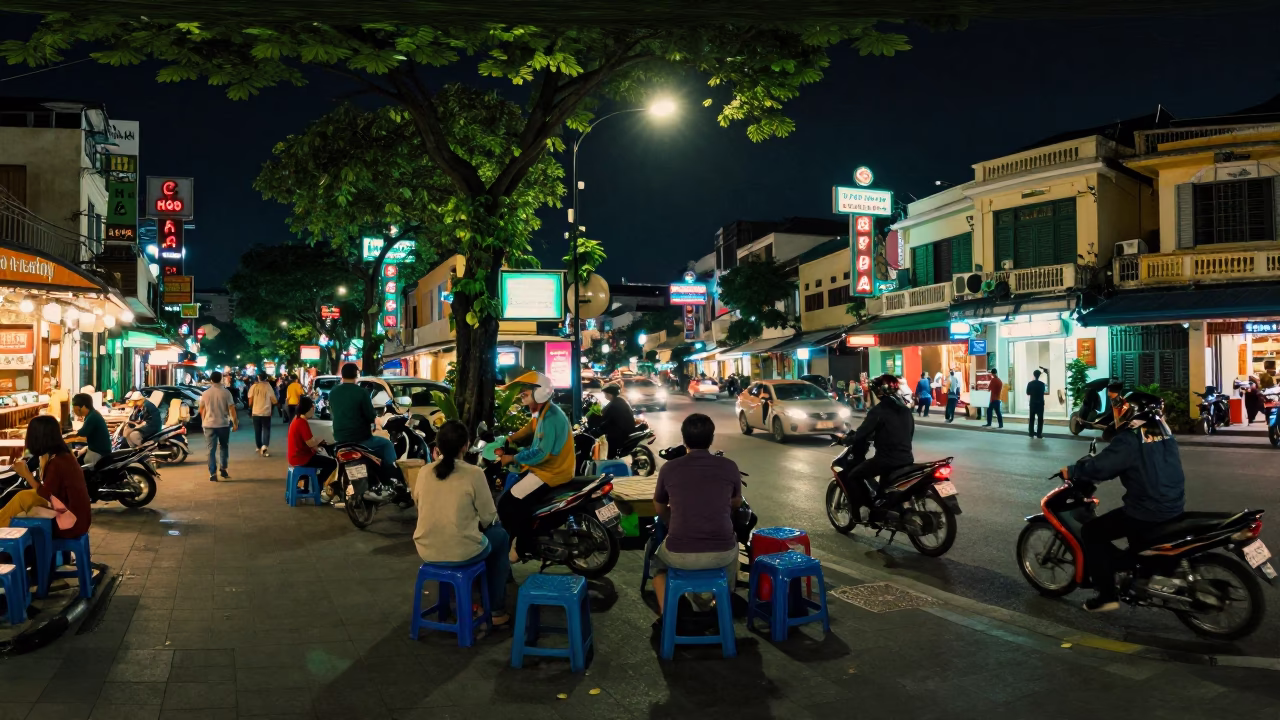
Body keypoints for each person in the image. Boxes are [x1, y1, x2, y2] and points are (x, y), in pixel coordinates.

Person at [1063, 391, 1185, 613]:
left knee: (1091, 532)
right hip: (1173, 504)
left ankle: (1107, 595)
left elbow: (1103, 467)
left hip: (1148, 509)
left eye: (1122, 409)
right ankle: (1139, 576)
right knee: (1135, 542)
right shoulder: (1161, 430)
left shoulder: (1130, 438)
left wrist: (1073, 471)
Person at [413, 420, 512, 627]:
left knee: (471, 540)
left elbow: (419, 504)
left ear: (437, 447)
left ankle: (458, 601)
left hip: (426, 549)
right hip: (461, 551)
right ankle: (495, 609)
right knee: (500, 537)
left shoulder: (424, 472)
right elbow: (489, 517)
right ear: (466, 446)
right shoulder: (474, 473)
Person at [650, 413, 742, 621]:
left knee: (658, 568)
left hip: (678, 553)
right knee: (732, 557)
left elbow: (659, 506)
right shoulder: (729, 466)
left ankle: (669, 617)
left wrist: (671, 522)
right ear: (711, 438)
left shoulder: (669, 468)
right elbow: (736, 502)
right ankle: (721, 605)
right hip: (722, 552)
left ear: (684, 440)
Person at [494, 371, 575, 556]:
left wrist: (513, 458)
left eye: (525, 392)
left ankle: (522, 546)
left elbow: (541, 453)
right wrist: (510, 438)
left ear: (539, 392)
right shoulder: (542, 411)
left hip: (550, 472)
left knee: (507, 503)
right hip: (546, 469)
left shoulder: (551, 418)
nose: (522, 395)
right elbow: (531, 427)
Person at [0, 416, 92, 538]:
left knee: (20, 515)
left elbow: (48, 495)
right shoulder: (62, 455)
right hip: (77, 517)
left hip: (71, 523)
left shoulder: (58, 462)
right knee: (22, 497)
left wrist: (26, 474)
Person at [841, 374, 914, 510]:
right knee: (884, 488)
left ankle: (870, 508)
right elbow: (909, 434)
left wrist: (846, 439)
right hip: (907, 459)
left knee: (854, 476)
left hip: (887, 460)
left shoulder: (878, 411)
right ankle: (883, 506)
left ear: (878, 392)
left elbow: (862, 433)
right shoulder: (905, 410)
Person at [329, 362, 399, 477]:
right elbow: (370, 415)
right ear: (357, 375)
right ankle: (392, 476)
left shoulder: (333, 392)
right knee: (387, 445)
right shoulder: (361, 392)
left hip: (340, 439)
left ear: (342, 375)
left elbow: (333, 412)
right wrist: (376, 423)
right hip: (361, 440)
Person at [287, 396, 338, 499]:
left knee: (321, 460)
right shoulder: (302, 422)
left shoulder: (296, 420)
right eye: (312, 408)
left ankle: (309, 486)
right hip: (301, 458)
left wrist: (317, 444)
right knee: (332, 463)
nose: (313, 410)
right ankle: (318, 483)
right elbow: (310, 443)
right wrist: (319, 440)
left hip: (295, 456)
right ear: (308, 409)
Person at [198, 371, 238, 482]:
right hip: (223, 424)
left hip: (209, 425)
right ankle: (223, 469)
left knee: (211, 450)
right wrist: (235, 422)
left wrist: (204, 420)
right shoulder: (226, 393)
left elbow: (201, 409)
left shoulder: (205, 393)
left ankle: (212, 474)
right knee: (224, 447)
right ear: (221, 379)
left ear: (211, 379)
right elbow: (232, 409)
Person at [68, 393, 112, 467]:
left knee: (86, 467)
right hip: (98, 448)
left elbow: (83, 432)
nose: (74, 410)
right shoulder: (92, 414)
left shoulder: (92, 417)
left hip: (98, 451)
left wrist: (68, 436)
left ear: (83, 406)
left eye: (75, 407)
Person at [592, 384, 636, 459]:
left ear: (609, 394)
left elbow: (607, 420)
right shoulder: (619, 401)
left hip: (620, 433)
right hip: (625, 430)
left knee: (611, 453)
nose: (605, 396)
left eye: (605, 394)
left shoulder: (614, 405)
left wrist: (597, 430)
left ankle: (612, 463)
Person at [248, 373, 278, 457]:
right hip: (266, 412)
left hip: (256, 412)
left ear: (258, 377)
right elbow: (274, 399)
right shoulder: (268, 387)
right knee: (266, 429)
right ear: (266, 378)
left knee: (257, 430)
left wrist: (251, 407)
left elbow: (250, 402)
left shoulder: (253, 387)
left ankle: (259, 446)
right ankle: (264, 445)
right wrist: (276, 404)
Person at [1027, 369, 1047, 438]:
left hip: (1032, 403)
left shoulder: (1030, 384)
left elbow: (1028, 392)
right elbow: (1043, 392)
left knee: (1032, 418)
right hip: (1040, 403)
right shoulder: (1042, 384)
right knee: (1040, 419)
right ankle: (1039, 434)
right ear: (1039, 375)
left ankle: (1031, 433)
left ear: (1034, 375)